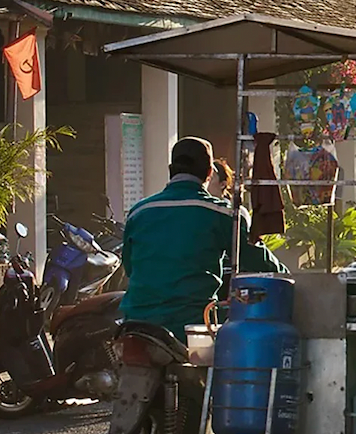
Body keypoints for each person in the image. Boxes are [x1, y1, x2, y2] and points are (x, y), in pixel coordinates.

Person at [118, 137, 287, 342]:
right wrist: (288, 278)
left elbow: (130, 267)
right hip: (191, 326)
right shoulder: (224, 214)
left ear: (171, 169)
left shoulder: (139, 212)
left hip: (135, 324)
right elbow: (259, 263)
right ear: (209, 173)